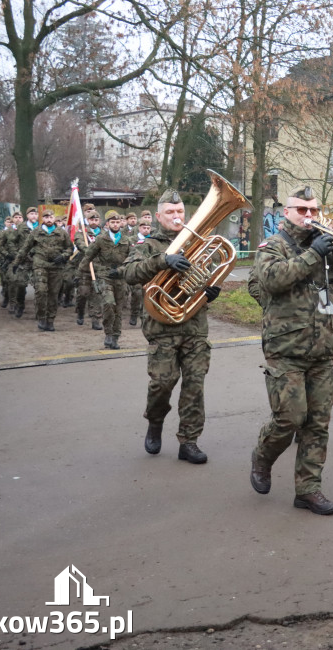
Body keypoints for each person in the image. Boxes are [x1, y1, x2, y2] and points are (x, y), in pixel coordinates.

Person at [248, 186, 333, 514]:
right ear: (286, 212)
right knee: (289, 418)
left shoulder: (325, 246)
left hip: (323, 350)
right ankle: (263, 455)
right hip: (285, 348)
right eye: (301, 209)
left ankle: (308, 489)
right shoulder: (272, 246)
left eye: (313, 209)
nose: (309, 216)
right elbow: (271, 279)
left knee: (317, 423)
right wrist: (314, 253)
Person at [123, 189, 220, 465]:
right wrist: (163, 260)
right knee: (162, 383)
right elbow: (129, 273)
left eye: (179, 212)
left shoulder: (199, 243)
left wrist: (210, 291)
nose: (176, 217)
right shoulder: (148, 245)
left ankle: (189, 441)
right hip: (161, 327)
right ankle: (155, 423)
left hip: (195, 325)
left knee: (194, 385)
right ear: (158, 216)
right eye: (170, 212)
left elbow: (210, 274)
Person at [77, 210, 132, 350]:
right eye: (112, 222)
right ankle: (108, 332)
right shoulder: (101, 239)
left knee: (118, 310)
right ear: (107, 224)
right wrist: (79, 275)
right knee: (109, 303)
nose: (115, 224)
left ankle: (115, 337)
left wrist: (126, 271)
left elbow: (132, 259)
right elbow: (88, 256)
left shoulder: (127, 240)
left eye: (117, 222)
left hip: (120, 277)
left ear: (120, 223)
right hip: (104, 276)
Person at [13, 208, 73, 331]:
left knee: (53, 295)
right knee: (40, 291)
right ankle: (41, 317)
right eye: (46, 217)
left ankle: (50, 320)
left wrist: (62, 256)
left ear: (54, 218)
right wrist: (16, 262)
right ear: (43, 219)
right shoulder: (36, 232)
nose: (49, 220)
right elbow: (25, 248)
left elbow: (69, 248)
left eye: (51, 217)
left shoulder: (61, 233)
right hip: (40, 265)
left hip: (56, 268)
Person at [75, 210, 104, 330]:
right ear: (87, 220)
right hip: (85, 267)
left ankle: (96, 319)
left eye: (96, 220)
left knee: (97, 294)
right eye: (92, 220)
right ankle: (80, 311)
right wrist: (89, 249)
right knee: (83, 293)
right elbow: (79, 243)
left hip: (100, 268)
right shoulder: (82, 232)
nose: (94, 222)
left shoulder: (104, 234)